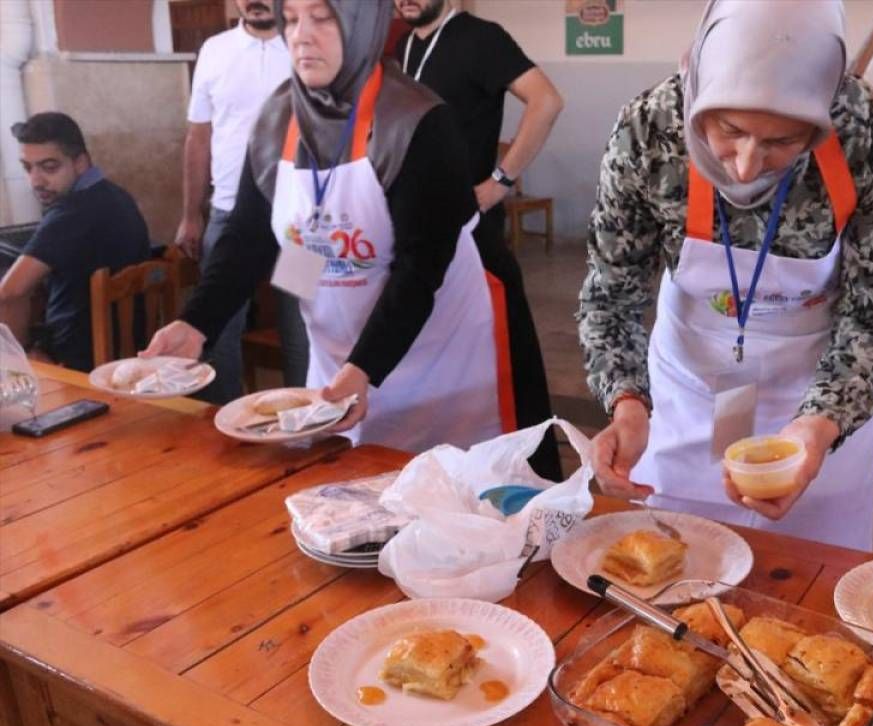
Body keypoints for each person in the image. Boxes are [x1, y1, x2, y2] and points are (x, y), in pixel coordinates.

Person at [580, 0, 873, 550]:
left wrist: (818, 427)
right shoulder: (649, 130)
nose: (746, 165)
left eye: (783, 141)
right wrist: (628, 404)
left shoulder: (872, 133)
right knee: (683, 558)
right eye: (729, 130)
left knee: (811, 570)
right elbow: (610, 295)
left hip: (818, 387)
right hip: (690, 385)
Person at [144, 0, 511, 453]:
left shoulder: (415, 120)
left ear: (362, 23)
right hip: (340, 368)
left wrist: (366, 366)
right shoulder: (278, 116)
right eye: (292, 18)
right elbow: (249, 237)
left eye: (322, 17)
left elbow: (420, 269)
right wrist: (197, 322)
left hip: (435, 362)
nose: (301, 35)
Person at [395, 0, 564, 479]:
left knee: (509, 378)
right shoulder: (404, 46)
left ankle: (533, 489)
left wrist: (498, 183)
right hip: (422, 239)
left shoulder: (480, 36)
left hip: (474, 239)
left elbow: (547, 100)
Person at [176, 0, 307, 403]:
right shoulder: (215, 50)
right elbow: (198, 137)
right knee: (216, 329)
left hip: (299, 220)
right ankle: (221, 435)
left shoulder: (305, 45)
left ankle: (311, 428)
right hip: (228, 212)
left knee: (303, 326)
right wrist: (190, 215)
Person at [0, 112, 149, 371]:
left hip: (74, 360)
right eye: (28, 168)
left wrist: (24, 354)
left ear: (80, 162)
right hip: (127, 350)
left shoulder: (72, 212)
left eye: (49, 167)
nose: (35, 181)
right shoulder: (117, 195)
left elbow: (10, 292)